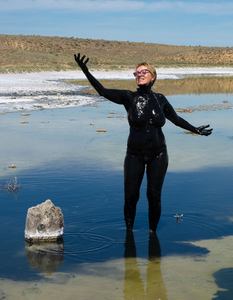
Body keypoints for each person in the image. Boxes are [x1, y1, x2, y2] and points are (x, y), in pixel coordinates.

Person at [74, 54, 212, 233]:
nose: (139, 74)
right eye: (136, 73)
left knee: (154, 196)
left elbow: (176, 119)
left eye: (143, 71)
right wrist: (85, 70)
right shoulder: (129, 97)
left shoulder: (161, 99)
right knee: (131, 197)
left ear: (153, 77)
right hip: (134, 155)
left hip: (159, 154)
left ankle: (152, 234)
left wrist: (195, 129)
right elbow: (103, 91)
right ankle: (129, 234)